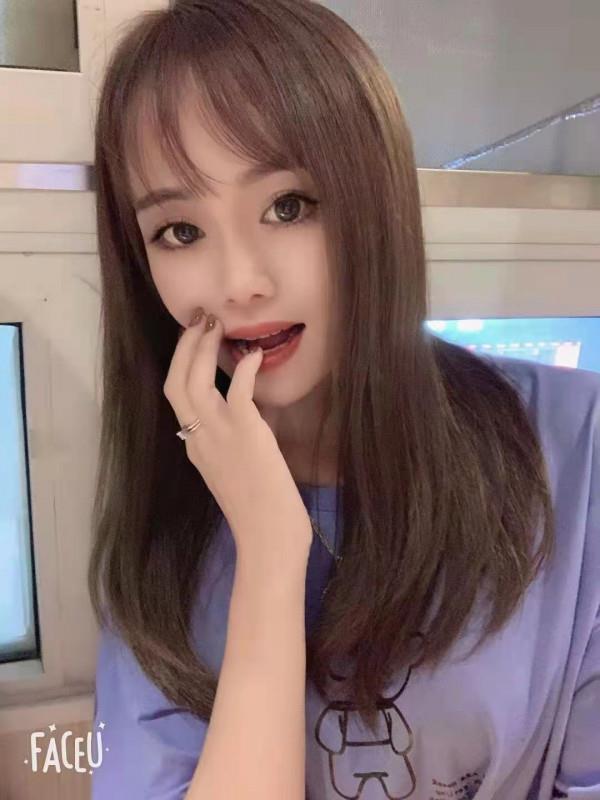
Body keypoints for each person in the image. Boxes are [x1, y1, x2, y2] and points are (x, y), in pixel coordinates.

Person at [88, 1, 600, 798]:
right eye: (180, 231)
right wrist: (269, 551)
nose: (240, 282)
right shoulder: (163, 520)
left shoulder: (577, 444)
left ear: (377, 202)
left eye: (288, 206)